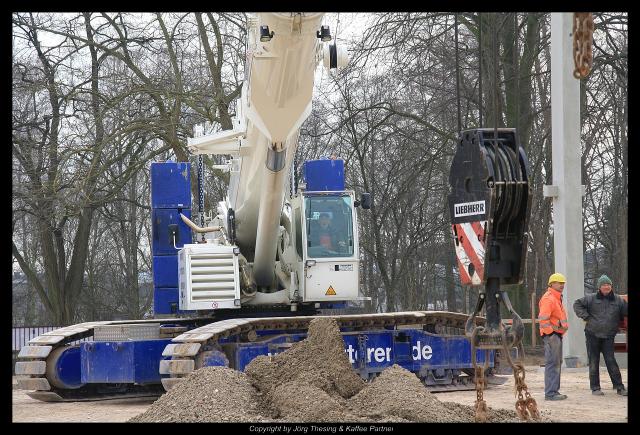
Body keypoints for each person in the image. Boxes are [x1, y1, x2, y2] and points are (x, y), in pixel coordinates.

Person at [573, 274, 628, 396]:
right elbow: (577, 304)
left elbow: (626, 311)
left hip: (609, 335)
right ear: (599, 287)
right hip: (592, 334)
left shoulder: (618, 300)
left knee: (610, 360)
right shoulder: (590, 298)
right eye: (604, 285)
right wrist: (586, 316)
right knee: (594, 361)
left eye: (608, 284)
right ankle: (595, 388)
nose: (606, 286)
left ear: (611, 286)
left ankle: (619, 387)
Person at [538, 272, 569, 400]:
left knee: (556, 362)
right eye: (559, 283)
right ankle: (550, 393)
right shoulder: (549, 298)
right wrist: (550, 333)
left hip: (556, 335)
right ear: (551, 284)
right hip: (552, 336)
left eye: (563, 283)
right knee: (552, 363)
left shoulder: (557, 298)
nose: (562, 285)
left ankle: (554, 391)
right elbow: (543, 319)